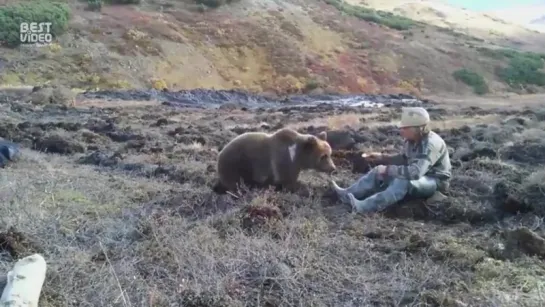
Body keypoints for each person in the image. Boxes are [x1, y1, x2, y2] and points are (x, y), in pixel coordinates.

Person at [330, 106, 452, 214]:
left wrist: (388, 170)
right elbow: (404, 159)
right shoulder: (412, 140)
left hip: (435, 182)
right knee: (378, 170)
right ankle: (346, 195)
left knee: (403, 180)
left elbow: (415, 173)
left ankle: (364, 207)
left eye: (405, 128)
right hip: (421, 178)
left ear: (417, 128)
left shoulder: (430, 145)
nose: (401, 130)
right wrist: (382, 158)